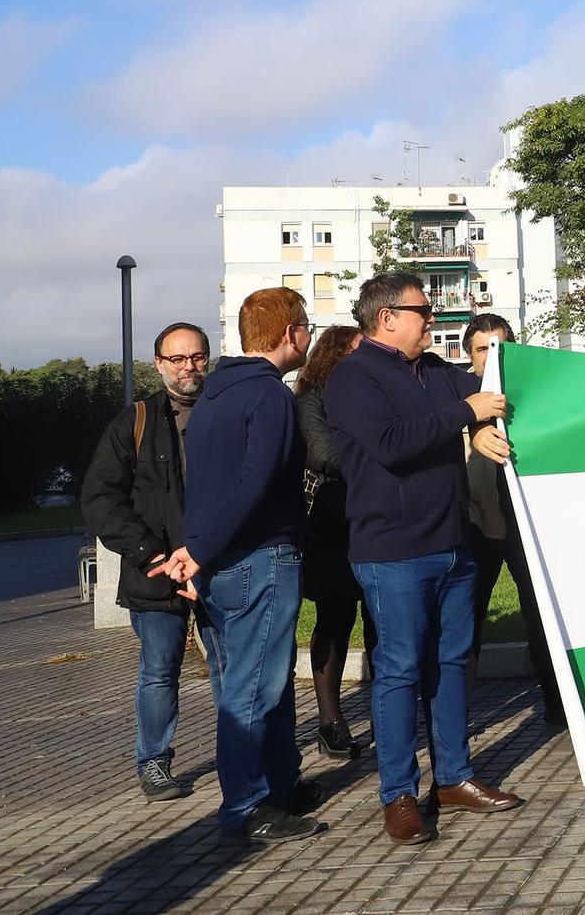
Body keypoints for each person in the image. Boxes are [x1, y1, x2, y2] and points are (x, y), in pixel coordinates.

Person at [322, 273, 524, 845]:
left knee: (454, 663)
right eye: (423, 311)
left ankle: (455, 778)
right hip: (394, 552)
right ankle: (400, 795)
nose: (432, 320)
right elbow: (392, 443)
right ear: (387, 317)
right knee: (400, 671)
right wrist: (467, 414)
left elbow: (498, 387)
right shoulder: (353, 377)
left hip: (454, 543)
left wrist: (480, 422)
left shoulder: (434, 371)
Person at [156, 288, 322, 846]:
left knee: (247, 683)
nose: (309, 337)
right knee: (253, 690)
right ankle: (247, 807)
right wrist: (199, 550)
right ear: (287, 333)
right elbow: (254, 483)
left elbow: (204, 487)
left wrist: (196, 551)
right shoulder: (269, 397)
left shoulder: (213, 396)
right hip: (259, 556)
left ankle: (279, 787)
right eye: (307, 326)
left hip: (219, 564)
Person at [81, 321, 222, 803]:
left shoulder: (225, 413)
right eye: (178, 359)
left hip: (215, 568)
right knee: (160, 670)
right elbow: (101, 500)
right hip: (156, 571)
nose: (189, 368)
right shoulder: (133, 422)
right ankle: (154, 762)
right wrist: (151, 554)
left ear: (210, 357)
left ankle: (239, 754)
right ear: (159, 363)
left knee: (227, 667)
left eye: (198, 357)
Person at [460, 314, 566, 727]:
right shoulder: (455, 396)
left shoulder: (533, 395)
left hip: (525, 525)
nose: (492, 356)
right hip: (473, 523)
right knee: (465, 620)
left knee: (540, 614)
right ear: (469, 355)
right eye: (483, 348)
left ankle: (558, 704)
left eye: (499, 347)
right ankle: (456, 714)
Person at [296, 324, 374, 762]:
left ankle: (388, 713)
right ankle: (330, 721)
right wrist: (382, 454)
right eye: (356, 352)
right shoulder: (311, 399)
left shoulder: (371, 395)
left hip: (374, 518)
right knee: (336, 618)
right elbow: (321, 454)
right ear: (334, 356)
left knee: (384, 622)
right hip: (331, 523)